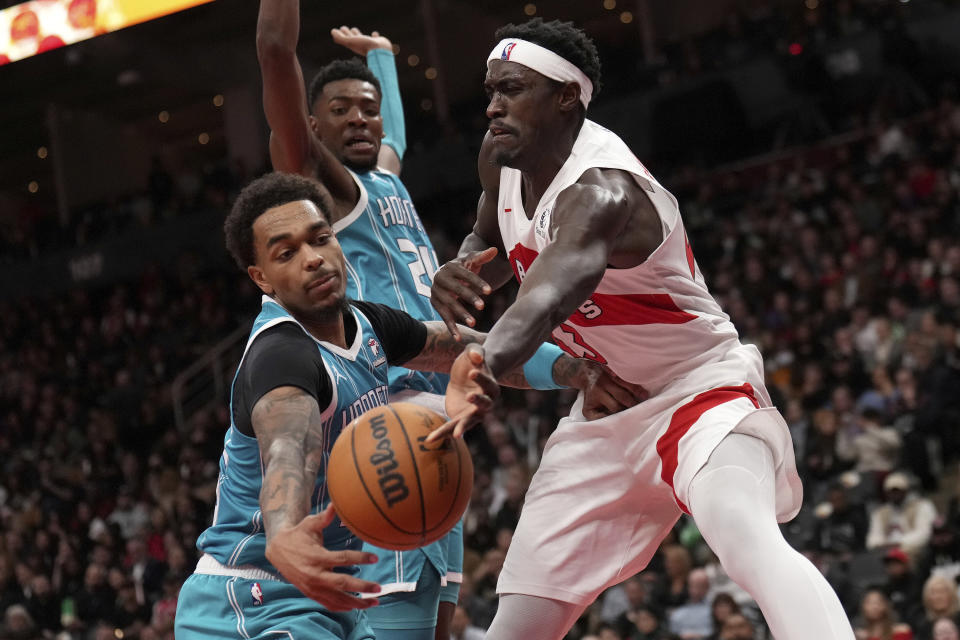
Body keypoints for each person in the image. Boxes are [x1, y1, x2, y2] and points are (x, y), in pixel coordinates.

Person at [428, 17, 855, 640]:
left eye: (512, 89)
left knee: (744, 537)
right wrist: (462, 269)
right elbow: (492, 242)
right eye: (490, 89)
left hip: (697, 391)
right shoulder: (502, 156)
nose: (492, 105)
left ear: (566, 96)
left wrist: (481, 367)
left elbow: (543, 301)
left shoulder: (602, 191)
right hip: (606, 407)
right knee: (520, 618)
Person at [173, 172, 640, 639]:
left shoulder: (366, 323)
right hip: (252, 600)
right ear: (261, 278)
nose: (313, 259)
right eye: (287, 253)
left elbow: (472, 349)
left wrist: (575, 371)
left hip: (325, 597)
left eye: (321, 239)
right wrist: (283, 535)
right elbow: (287, 450)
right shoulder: (281, 358)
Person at [255, 2, 462, 636]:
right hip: (382, 420)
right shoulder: (327, 190)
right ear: (313, 126)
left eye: (366, 108)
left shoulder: (389, 181)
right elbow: (274, 53)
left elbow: (393, 134)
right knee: (393, 611)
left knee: (440, 615)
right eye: (340, 110)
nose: (360, 119)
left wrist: (383, 59)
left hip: (441, 417)